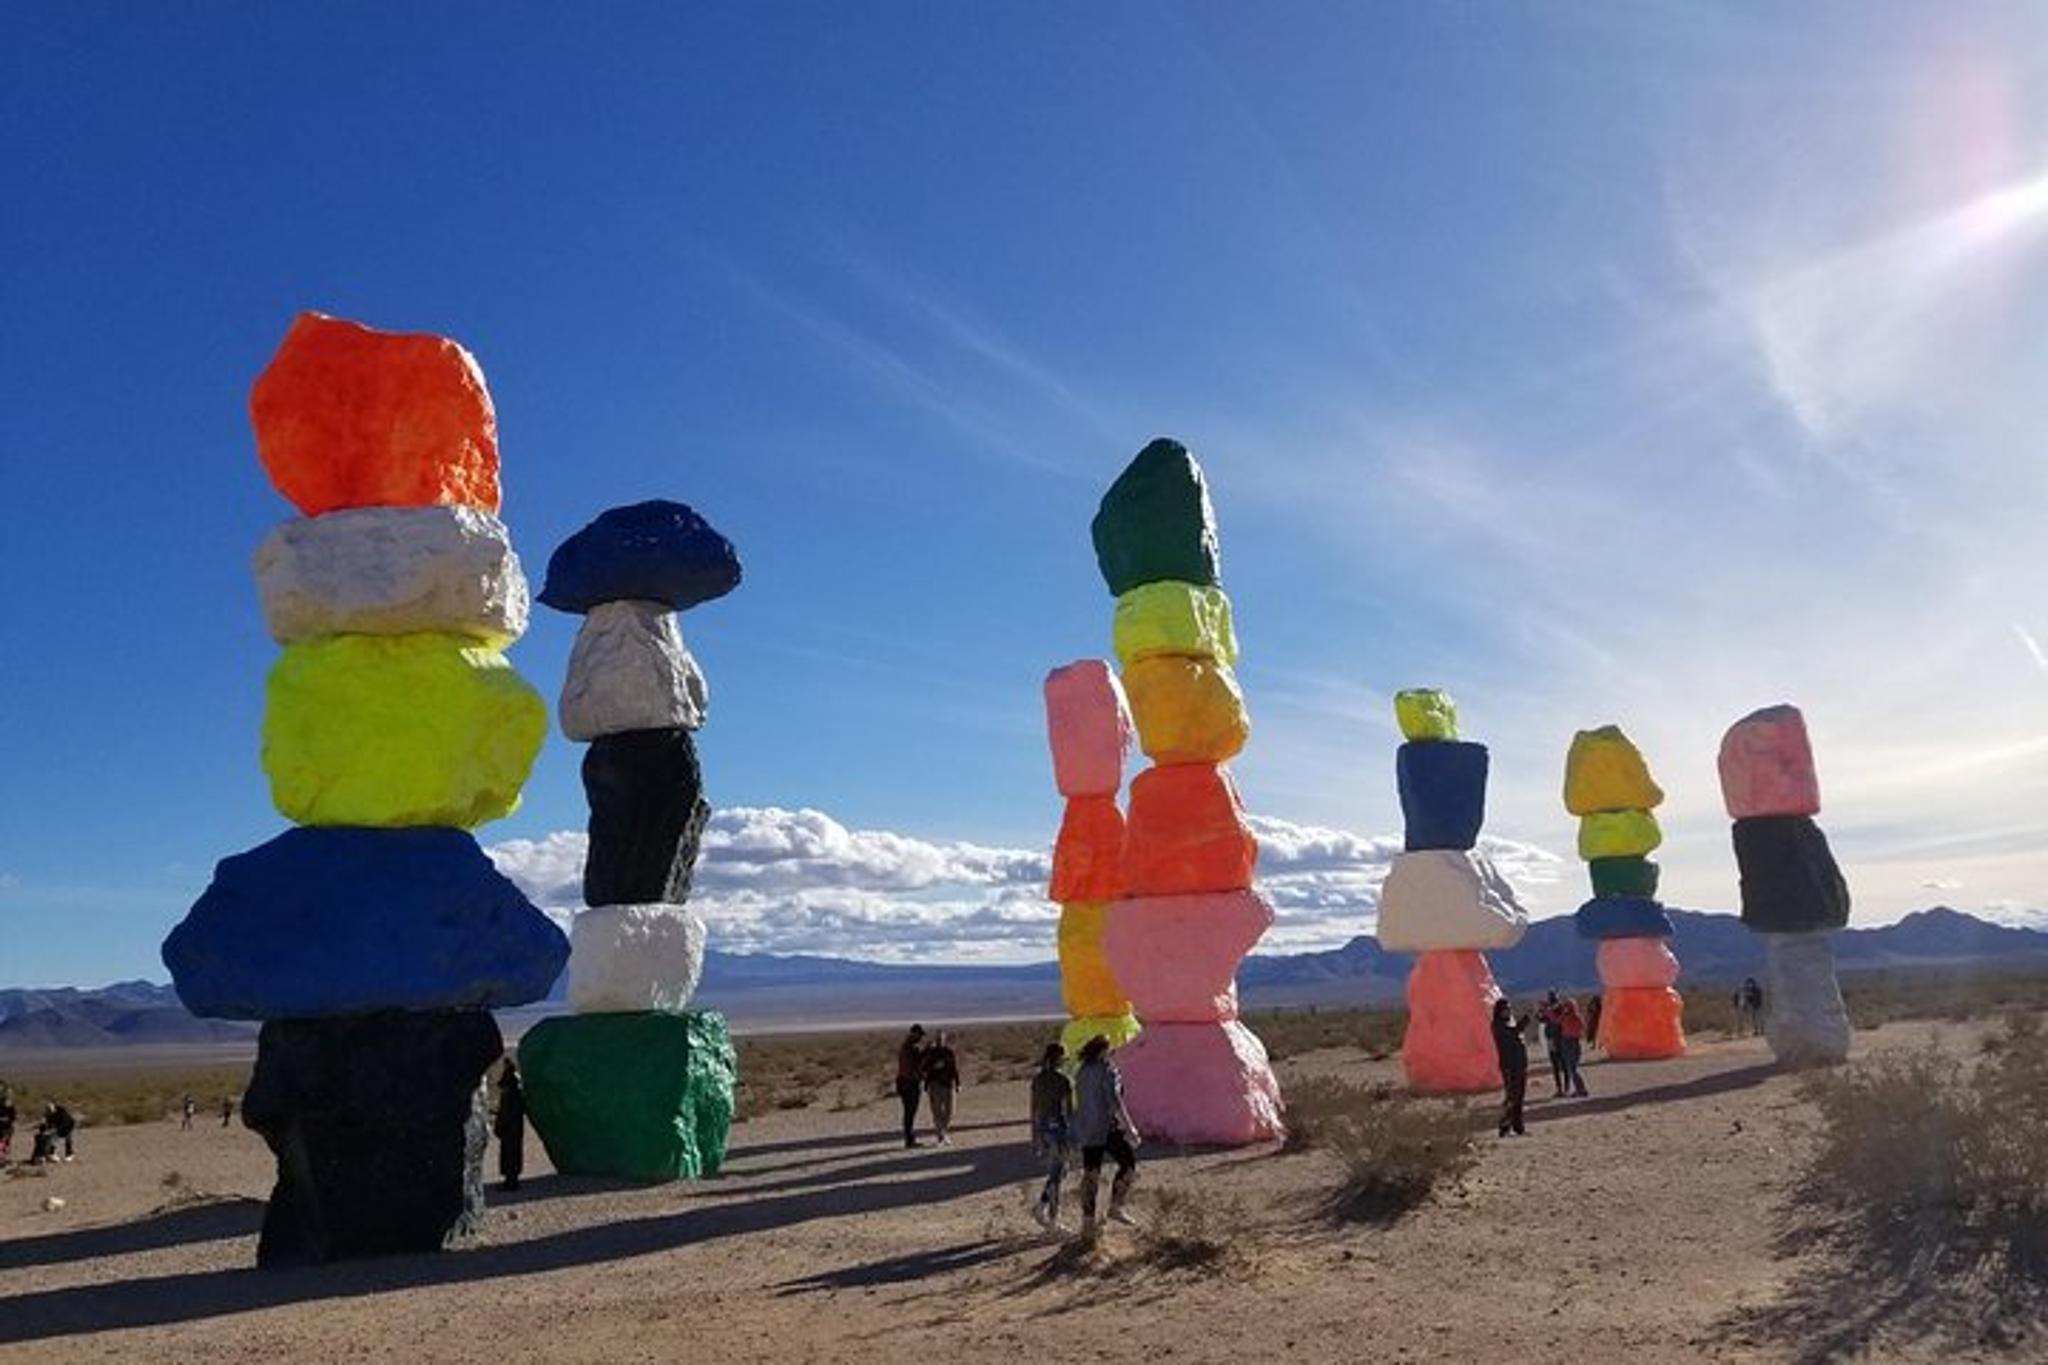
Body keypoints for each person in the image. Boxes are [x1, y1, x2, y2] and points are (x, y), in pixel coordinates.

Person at [1072, 1035, 1140, 1234]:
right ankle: (1116, 1206)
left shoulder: (1082, 1070)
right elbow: (1115, 1101)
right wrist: (1130, 1128)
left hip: (1087, 1128)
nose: (1112, 1052)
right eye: (1110, 1049)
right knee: (1128, 1165)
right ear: (1103, 1051)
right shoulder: (1107, 1070)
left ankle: (1088, 1220)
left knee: (1091, 1173)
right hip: (1106, 1128)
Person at [1028, 1042, 1073, 1231]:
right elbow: (1068, 1110)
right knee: (1057, 1174)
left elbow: (1033, 1109)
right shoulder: (1063, 1080)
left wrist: (1035, 1135)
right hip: (1058, 1129)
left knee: (1059, 1171)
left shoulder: (1038, 1079)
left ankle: (1042, 1207)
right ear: (1059, 1058)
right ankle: (1051, 1217)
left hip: (1043, 1128)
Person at [1492, 998, 1529, 1137]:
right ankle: (1504, 1125)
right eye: (1505, 1009)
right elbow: (1512, 1033)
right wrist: (1524, 1022)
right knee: (1512, 1097)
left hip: (1519, 1065)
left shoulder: (1509, 1022)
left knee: (1519, 1097)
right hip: (1509, 1066)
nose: (1508, 1011)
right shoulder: (1497, 1025)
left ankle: (1518, 1127)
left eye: (1509, 1009)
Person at [921, 1030, 961, 1145]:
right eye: (938, 1039)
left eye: (941, 1039)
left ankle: (943, 1132)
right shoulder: (931, 1053)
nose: (940, 1041)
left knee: (950, 1112)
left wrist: (958, 1084)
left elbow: (954, 1069)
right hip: (935, 1085)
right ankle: (941, 1136)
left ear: (945, 1040)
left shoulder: (949, 1052)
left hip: (948, 1085)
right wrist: (933, 1067)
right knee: (937, 1112)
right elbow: (924, 1068)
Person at [494, 1058, 526, 1191]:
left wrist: (501, 1124)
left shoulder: (511, 1091)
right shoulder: (515, 1088)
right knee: (512, 1153)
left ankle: (511, 1182)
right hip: (514, 1127)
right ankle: (511, 1180)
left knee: (510, 1154)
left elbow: (507, 1111)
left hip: (510, 1127)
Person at [894, 1025, 927, 1148]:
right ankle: (909, 1140)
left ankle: (910, 1138)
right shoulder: (910, 1048)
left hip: (905, 1082)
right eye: (919, 1035)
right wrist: (926, 1051)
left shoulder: (906, 1046)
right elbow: (916, 1063)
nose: (920, 1038)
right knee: (910, 1112)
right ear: (913, 1033)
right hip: (909, 1083)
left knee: (909, 1112)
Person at [1557, 999, 1590, 1097]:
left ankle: (1581, 1089)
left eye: (1567, 1006)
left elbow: (1557, 1021)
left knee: (1572, 1068)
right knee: (1571, 1067)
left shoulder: (1572, 1017)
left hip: (1570, 1042)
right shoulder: (1573, 1016)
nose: (1566, 1008)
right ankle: (1578, 1089)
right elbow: (1583, 1027)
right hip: (1571, 1041)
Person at [1539, 990, 1568, 1097]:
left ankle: (1563, 1088)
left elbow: (1541, 1018)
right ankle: (1563, 1088)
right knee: (1559, 1065)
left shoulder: (1557, 1009)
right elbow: (1540, 1019)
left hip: (1557, 1039)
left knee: (1559, 1065)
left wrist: (1545, 1010)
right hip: (1556, 1039)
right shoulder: (1554, 1009)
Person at [0, 1088, 15, 1162]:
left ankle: (3, 1158)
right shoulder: (1, 1106)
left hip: (7, 1128)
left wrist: (6, 1120)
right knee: (2, 1142)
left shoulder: (11, 1107)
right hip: (2, 1127)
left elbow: (13, 1118)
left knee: (6, 1143)